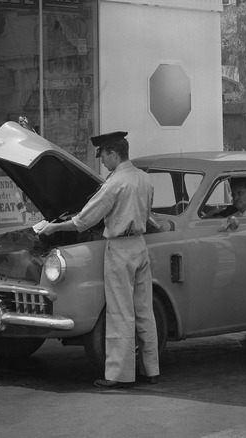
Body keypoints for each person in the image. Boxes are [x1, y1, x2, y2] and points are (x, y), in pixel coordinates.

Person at [39, 131, 160, 388]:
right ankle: (151, 370)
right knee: (144, 310)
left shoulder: (114, 184)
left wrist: (53, 228)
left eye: (104, 156)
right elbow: (148, 213)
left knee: (119, 313)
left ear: (114, 154)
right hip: (140, 244)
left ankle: (119, 375)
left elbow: (84, 221)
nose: (102, 162)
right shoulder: (144, 179)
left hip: (119, 248)